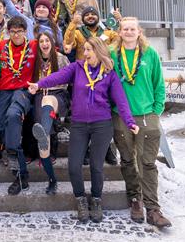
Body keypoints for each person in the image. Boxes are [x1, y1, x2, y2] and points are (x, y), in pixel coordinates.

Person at [29, 37, 138, 223]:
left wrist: (130, 122)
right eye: (85, 49)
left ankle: (96, 200)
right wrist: (39, 84)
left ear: (99, 51)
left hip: (102, 125)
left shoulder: (109, 74)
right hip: (79, 124)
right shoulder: (77, 67)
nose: (85, 53)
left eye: (89, 50)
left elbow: (120, 100)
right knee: (73, 166)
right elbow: (59, 76)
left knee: (96, 166)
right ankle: (80, 199)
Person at [110, 17, 171, 228]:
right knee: (127, 160)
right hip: (120, 117)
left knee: (147, 162)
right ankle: (135, 199)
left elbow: (159, 84)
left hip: (146, 116)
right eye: (124, 29)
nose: (128, 32)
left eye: (132, 29)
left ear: (139, 32)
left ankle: (153, 208)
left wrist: (157, 110)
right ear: (119, 32)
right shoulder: (112, 54)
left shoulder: (150, 54)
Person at [0, 15, 39, 195]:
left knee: (13, 115)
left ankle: (21, 174)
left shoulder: (33, 45)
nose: (16, 35)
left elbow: (52, 49)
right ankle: (14, 156)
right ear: (8, 32)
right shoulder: (1, 46)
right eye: (12, 32)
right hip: (4, 91)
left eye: (19, 31)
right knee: (2, 125)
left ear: (25, 31)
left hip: (22, 90)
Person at [29, 31, 70, 195]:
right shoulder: (35, 60)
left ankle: (47, 133)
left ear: (52, 43)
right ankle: (51, 178)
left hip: (58, 94)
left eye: (47, 41)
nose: (44, 44)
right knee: (42, 140)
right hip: (39, 95)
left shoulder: (61, 58)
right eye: (41, 41)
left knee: (48, 105)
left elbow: (68, 80)